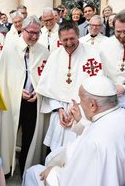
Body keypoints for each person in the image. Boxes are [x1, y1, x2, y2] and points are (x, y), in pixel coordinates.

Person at [23, 76, 125, 186]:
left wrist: (52, 173)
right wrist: (80, 120)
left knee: (33, 172)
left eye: (81, 100)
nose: (79, 103)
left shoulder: (94, 144)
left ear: (92, 105)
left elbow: (76, 181)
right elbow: (100, 130)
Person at [36, 20, 103, 151]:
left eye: (72, 38)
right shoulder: (55, 56)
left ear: (78, 36)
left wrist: (77, 109)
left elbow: (96, 85)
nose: (69, 43)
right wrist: (59, 109)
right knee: (55, 152)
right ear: (59, 39)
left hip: (82, 112)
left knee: (77, 150)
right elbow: (48, 88)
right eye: (64, 40)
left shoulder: (92, 54)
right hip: (59, 111)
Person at [0, 16, 49, 176]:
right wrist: (17, 91)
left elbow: (46, 77)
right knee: (9, 133)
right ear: (22, 30)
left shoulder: (43, 51)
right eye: (30, 32)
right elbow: (3, 77)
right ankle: (5, 167)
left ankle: (26, 168)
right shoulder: (9, 48)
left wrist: (38, 92)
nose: (34, 36)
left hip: (33, 101)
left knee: (30, 135)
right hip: (13, 100)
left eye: (37, 33)